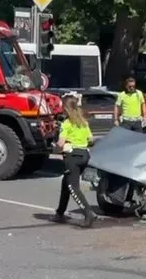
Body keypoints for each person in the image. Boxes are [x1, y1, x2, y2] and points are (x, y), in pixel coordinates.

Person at [54, 95, 96, 228]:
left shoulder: (66, 123)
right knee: (66, 182)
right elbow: (91, 139)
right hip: (84, 155)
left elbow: (60, 144)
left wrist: (56, 146)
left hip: (73, 157)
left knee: (73, 187)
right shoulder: (83, 122)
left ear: (65, 108)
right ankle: (60, 212)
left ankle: (88, 213)